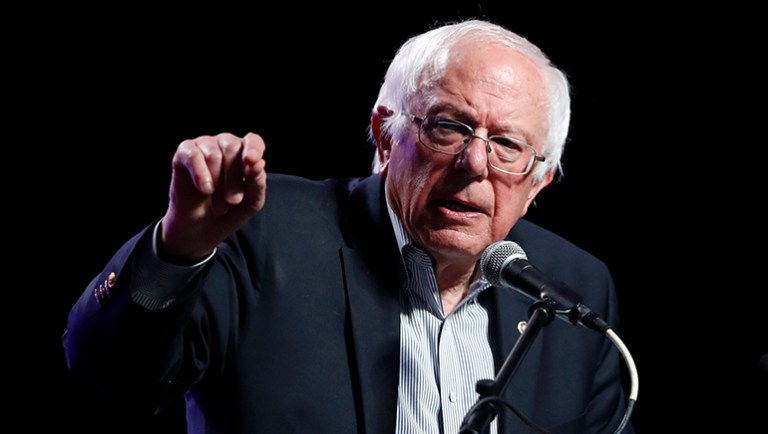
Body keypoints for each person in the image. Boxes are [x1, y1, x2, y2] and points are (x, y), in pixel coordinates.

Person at [63, 19, 634, 434]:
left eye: (507, 144)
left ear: (539, 182)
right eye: (448, 127)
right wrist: (181, 245)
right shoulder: (260, 231)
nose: (475, 165)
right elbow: (107, 376)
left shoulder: (575, 288)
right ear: (385, 137)